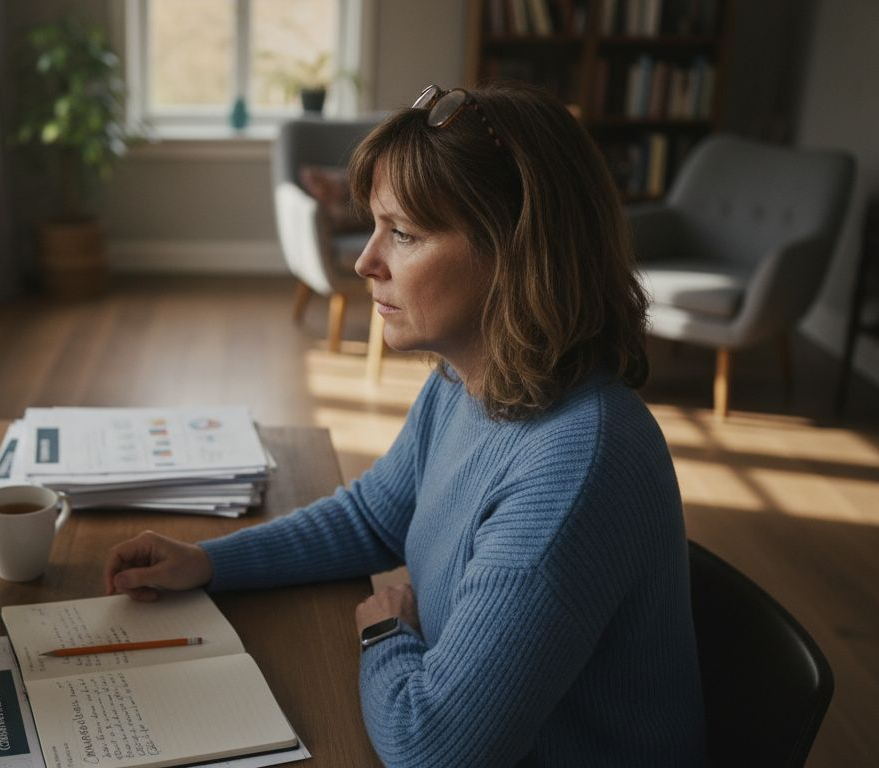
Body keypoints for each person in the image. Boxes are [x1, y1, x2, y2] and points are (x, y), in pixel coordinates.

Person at [103, 81, 705, 767]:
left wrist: (386, 632)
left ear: (517, 249)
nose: (366, 261)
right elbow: (373, 518)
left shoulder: (576, 469)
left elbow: (432, 750)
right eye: (376, 226)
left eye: (405, 234)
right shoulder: (471, 378)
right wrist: (210, 560)